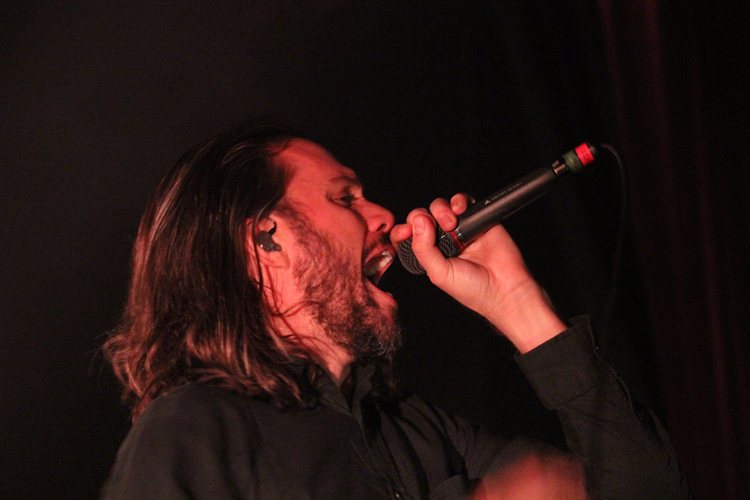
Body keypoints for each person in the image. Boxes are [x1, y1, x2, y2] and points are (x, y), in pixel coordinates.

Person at [101, 121, 692, 499]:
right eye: (345, 198)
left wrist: (519, 305)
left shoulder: (413, 427)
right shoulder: (194, 430)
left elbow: (650, 491)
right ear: (265, 242)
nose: (384, 215)